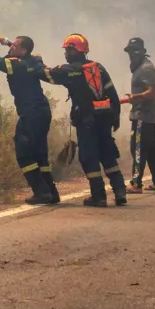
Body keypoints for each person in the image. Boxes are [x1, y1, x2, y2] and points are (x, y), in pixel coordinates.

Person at [36, 34, 128, 207]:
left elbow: (46, 74)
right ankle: (120, 191)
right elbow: (113, 95)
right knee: (108, 155)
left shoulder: (71, 70)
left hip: (87, 121)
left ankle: (98, 196)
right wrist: (116, 118)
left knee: (88, 157)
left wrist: (36, 61)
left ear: (73, 50)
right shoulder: (98, 67)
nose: (65, 54)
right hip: (106, 119)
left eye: (67, 50)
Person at [0, 28, 59, 205]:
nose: (11, 46)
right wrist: (7, 44)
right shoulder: (32, 60)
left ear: (23, 50)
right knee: (40, 153)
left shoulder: (16, 64)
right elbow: (21, 56)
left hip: (30, 114)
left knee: (24, 152)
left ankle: (40, 192)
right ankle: (51, 192)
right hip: (42, 111)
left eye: (15, 45)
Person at [123, 37, 155, 193]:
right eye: (130, 51)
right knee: (151, 149)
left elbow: (151, 92)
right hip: (144, 115)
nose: (132, 54)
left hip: (143, 116)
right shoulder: (139, 67)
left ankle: (135, 183)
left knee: (138, 148)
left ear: (143, 52)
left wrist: (136, 97)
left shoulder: (146, 68)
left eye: (136, 51)